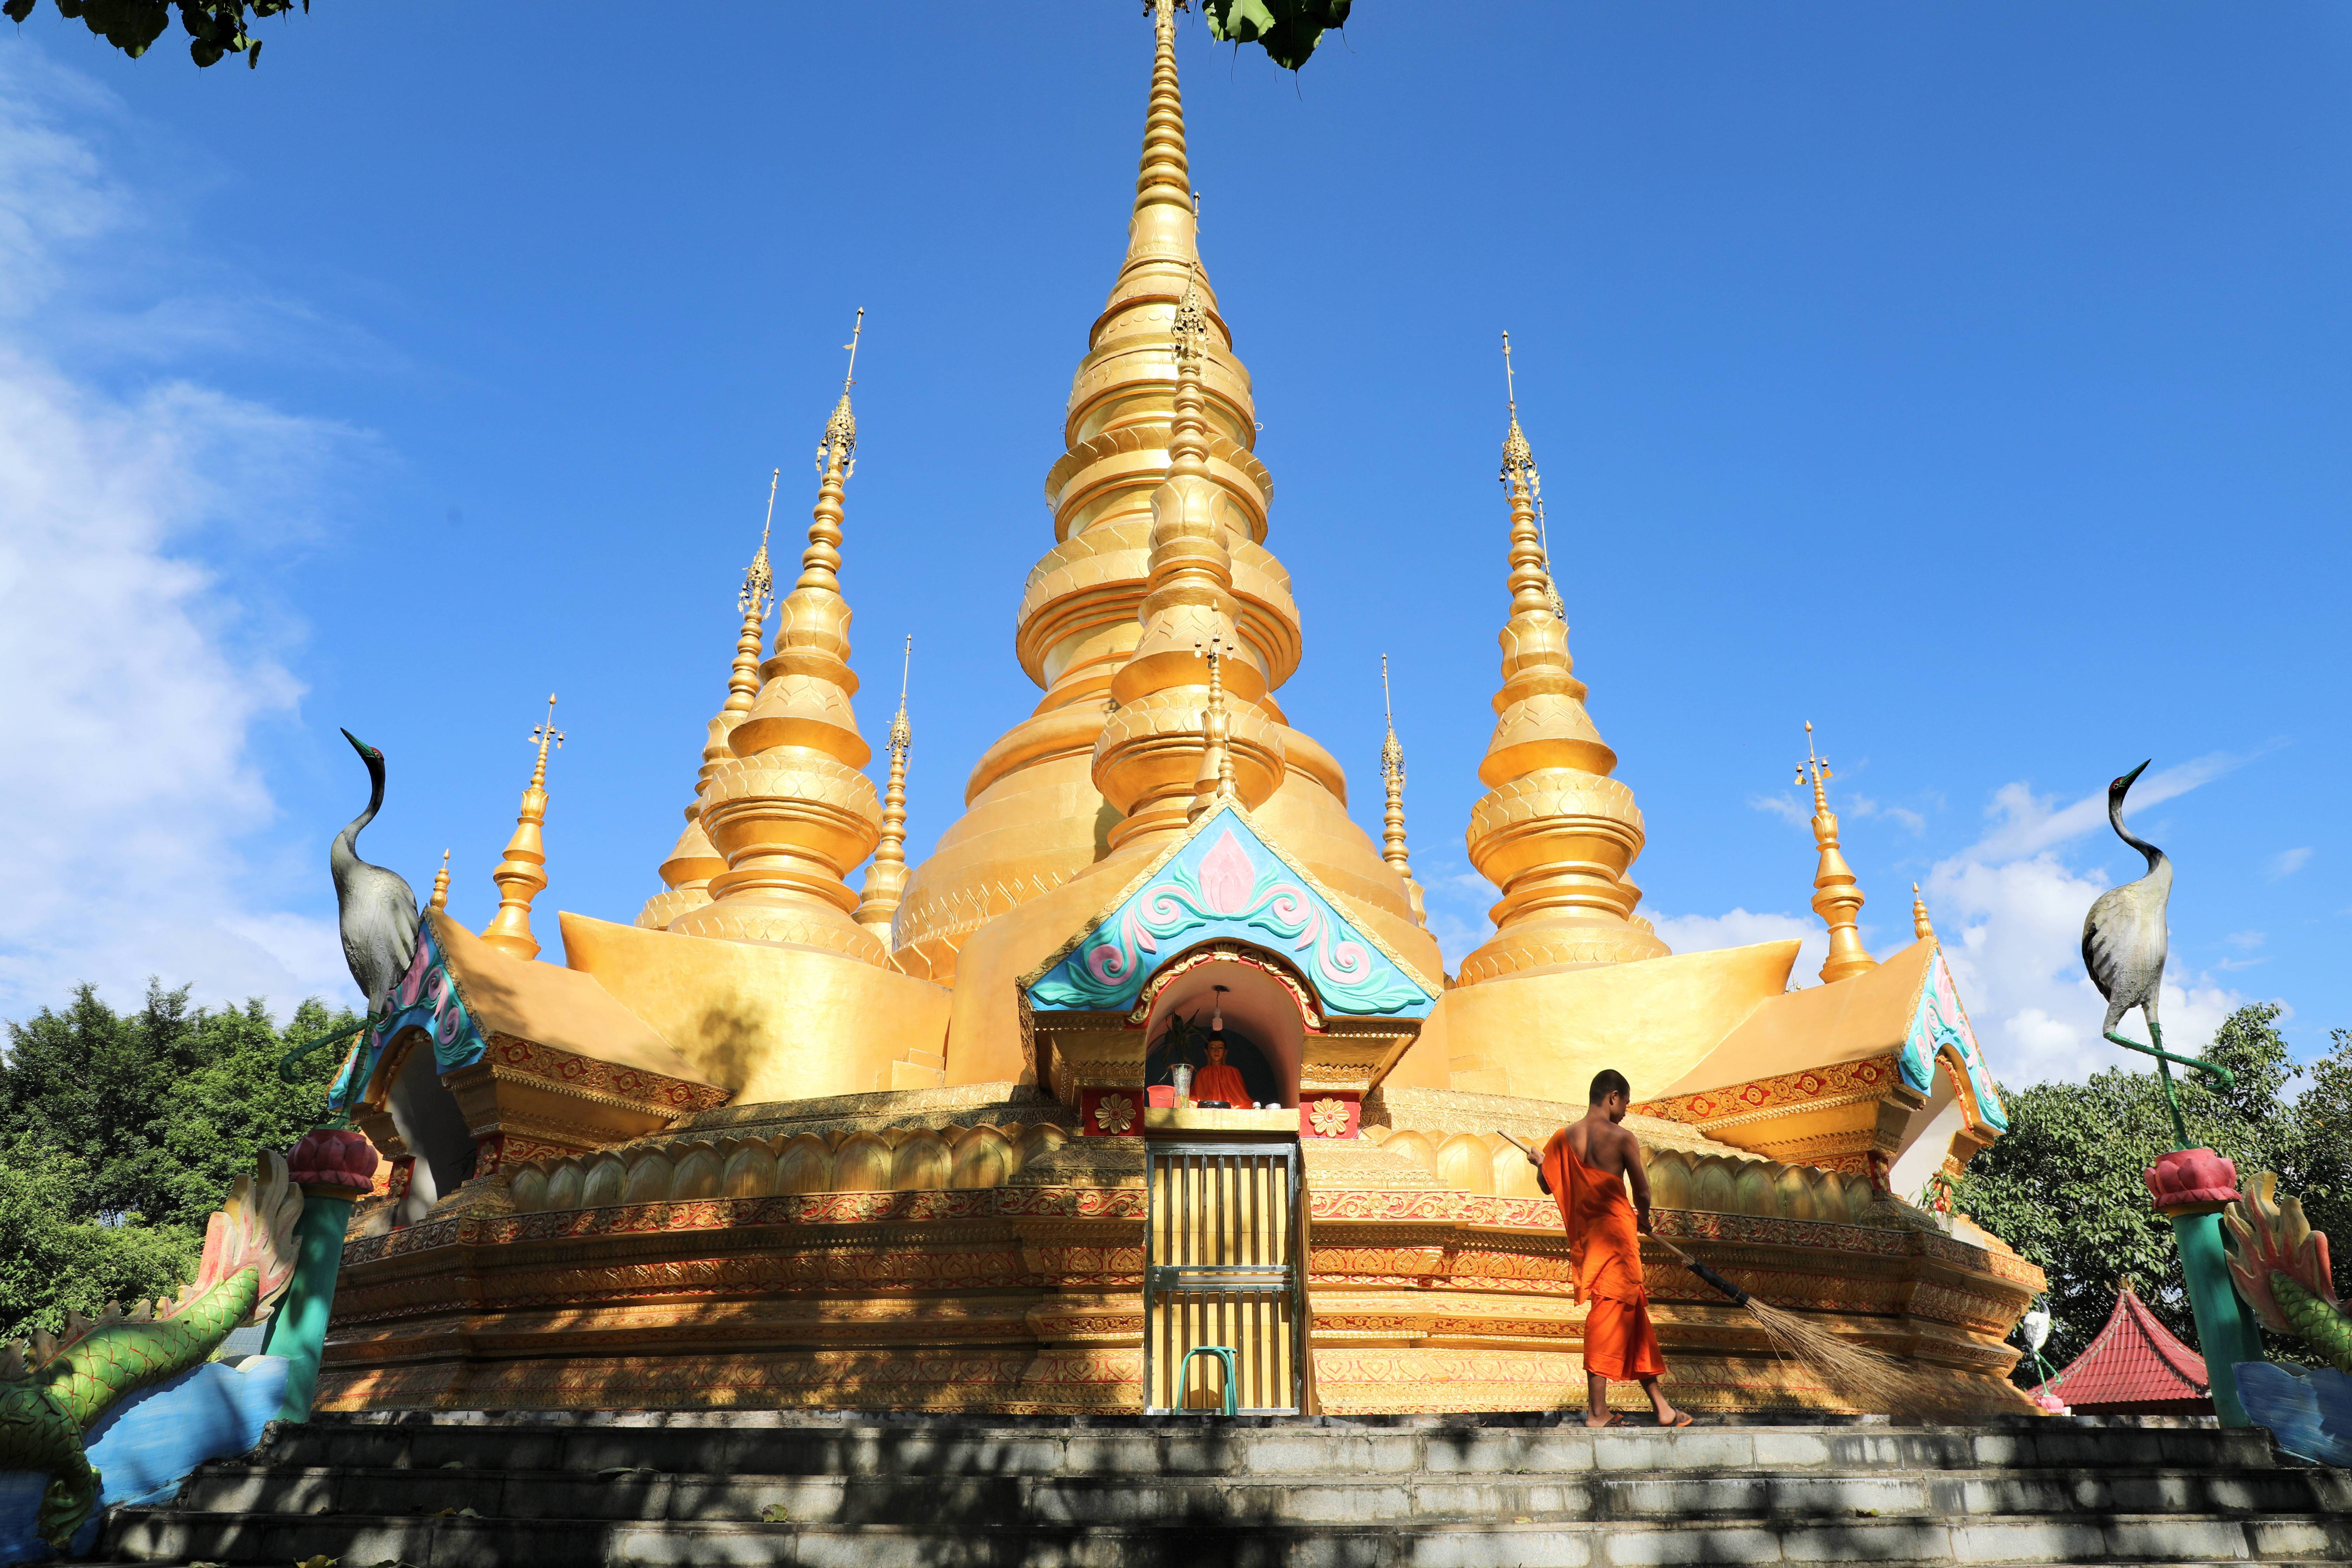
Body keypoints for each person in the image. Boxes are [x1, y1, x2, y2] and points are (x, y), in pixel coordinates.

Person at [1529, 1068, 1691, 1429]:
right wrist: (1645, 1219)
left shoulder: (1562, 1139)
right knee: (1607, 1316)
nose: (1625, 1112)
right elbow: (1643, 1191)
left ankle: (1662, 1407)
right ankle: (1598, 1412)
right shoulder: (1621, 1137)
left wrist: (1542, 1162)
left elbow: (1547, 1184)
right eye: (1626, 1103)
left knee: (1631, 1315)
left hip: (1592, 1241)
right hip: (1617, 1240)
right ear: (1613, 1096)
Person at [1189, 1036, 1251, 1108]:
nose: (1217, 1051)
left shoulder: (1233, 1072)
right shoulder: (1202, 1073)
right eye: (1212, 1048)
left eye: (1220, 1048)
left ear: (1225, 1052)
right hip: (1208, 1107)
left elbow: (1242, 1099)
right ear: (1207, 1052)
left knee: (1248, 1106)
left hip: (1231, 1107)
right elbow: (1197, 1097)